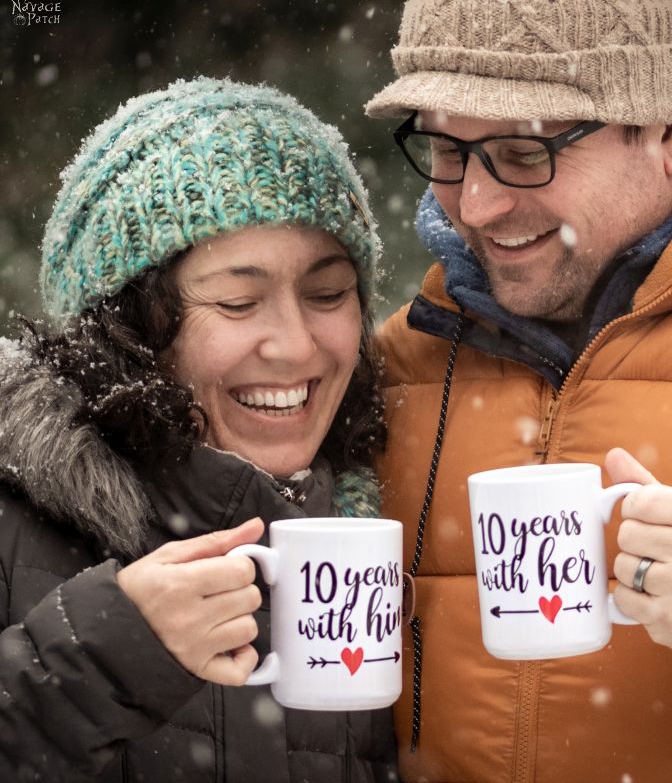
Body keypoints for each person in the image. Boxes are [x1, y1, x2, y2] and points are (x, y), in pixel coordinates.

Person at [364, 0, 672, 780]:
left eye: (527, 152)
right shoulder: (398, 363)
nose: (478, 202)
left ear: (670, 130)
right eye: (449, 152)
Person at [0, 77, 398, 781]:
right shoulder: (15, 522)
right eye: (240, 302)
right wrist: (105, 654)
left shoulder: (385, 500)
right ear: (129, 329)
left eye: (328, 294)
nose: (296, 344)